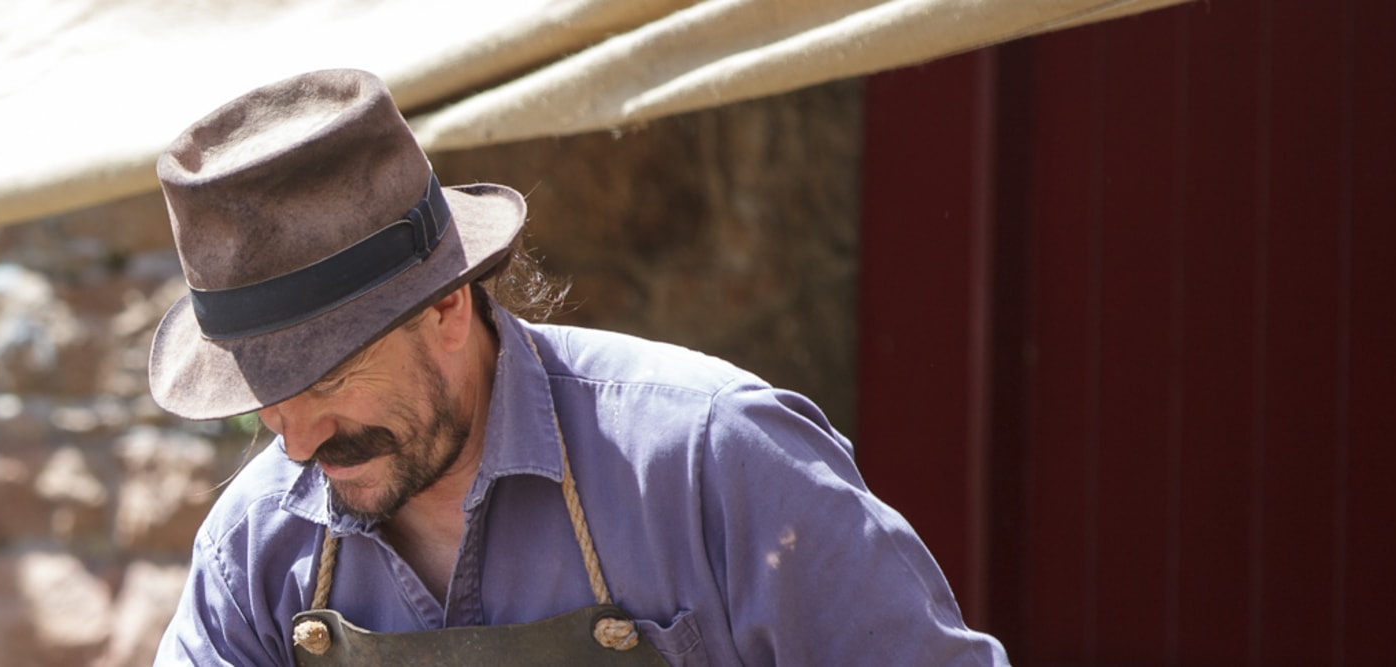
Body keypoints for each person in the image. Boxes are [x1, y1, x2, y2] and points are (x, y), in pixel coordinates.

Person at [147, 69, 1003, 666]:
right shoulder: (255, 545)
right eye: (267, 400)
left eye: (328, 379)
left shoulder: (714, 458)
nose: (296, 445)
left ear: (447, 306)